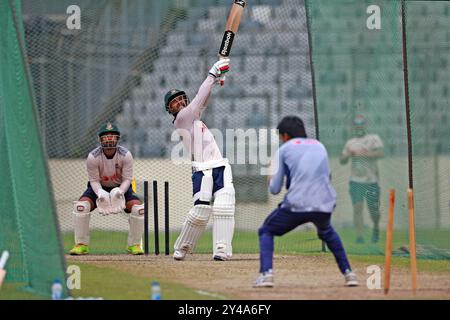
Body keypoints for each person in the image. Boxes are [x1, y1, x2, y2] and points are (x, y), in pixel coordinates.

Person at [255, 116, 358, 288]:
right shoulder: (319, 146)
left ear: (286, 136)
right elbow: (327, 176)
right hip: (324, 203)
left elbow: (275, 189)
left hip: (297, 204)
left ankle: (267, 275)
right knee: (326, 231)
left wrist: (269, 178)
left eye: (281, 137)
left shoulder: (285, 149)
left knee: (266, 231)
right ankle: (349, 273)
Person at [164, 58, 235, 261]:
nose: (178, 103)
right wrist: (212, 74)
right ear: (170, 109)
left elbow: (203, 100)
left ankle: (222, 249)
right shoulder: (181, 119)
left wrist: (214, 81)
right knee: (201, 210)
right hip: (202, 169)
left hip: (220, 165)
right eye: (173, 102)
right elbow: (199, 99)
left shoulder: (194, 116)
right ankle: (183, 247)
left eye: (180, 99)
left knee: (224, 207)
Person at [69, 122, 145, 255]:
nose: (109, 139)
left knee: (139, 209)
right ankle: (81, 244)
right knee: (80, 207)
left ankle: (134, 245)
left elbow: (127, 179)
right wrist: (100, 193)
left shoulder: (125, 155)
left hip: (121, 186)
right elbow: (93, 180)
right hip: (97, 187)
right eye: (106, 136)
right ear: (100, 139)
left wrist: (120, 192)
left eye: (112, 136)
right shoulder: (93, 157)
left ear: (117, 139)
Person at [340, 115, 384, 244]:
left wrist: (365, 153)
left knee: (373, 210)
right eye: (356, 124)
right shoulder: (350, 143)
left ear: (365, 125)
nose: (359, 127)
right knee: (357, 208)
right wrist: (348, 154)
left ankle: (376, 228)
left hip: (371, 180)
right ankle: (360, 236)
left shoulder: (373, 139)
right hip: (356, 181)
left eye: (361, 124)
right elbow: (342, 160)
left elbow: (381, 153)